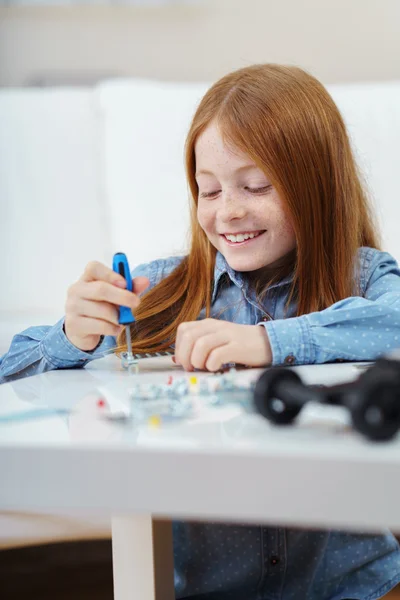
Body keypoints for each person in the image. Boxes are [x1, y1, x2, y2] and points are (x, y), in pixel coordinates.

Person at [1, 63, 400, 599]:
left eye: (255, 186)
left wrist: (269, 342)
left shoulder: (364, 276)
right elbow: (11, 371)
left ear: (316, 184)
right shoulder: (162, 291)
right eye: (208, 192)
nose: (228, 212)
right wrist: (71, 337)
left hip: (352, 586)